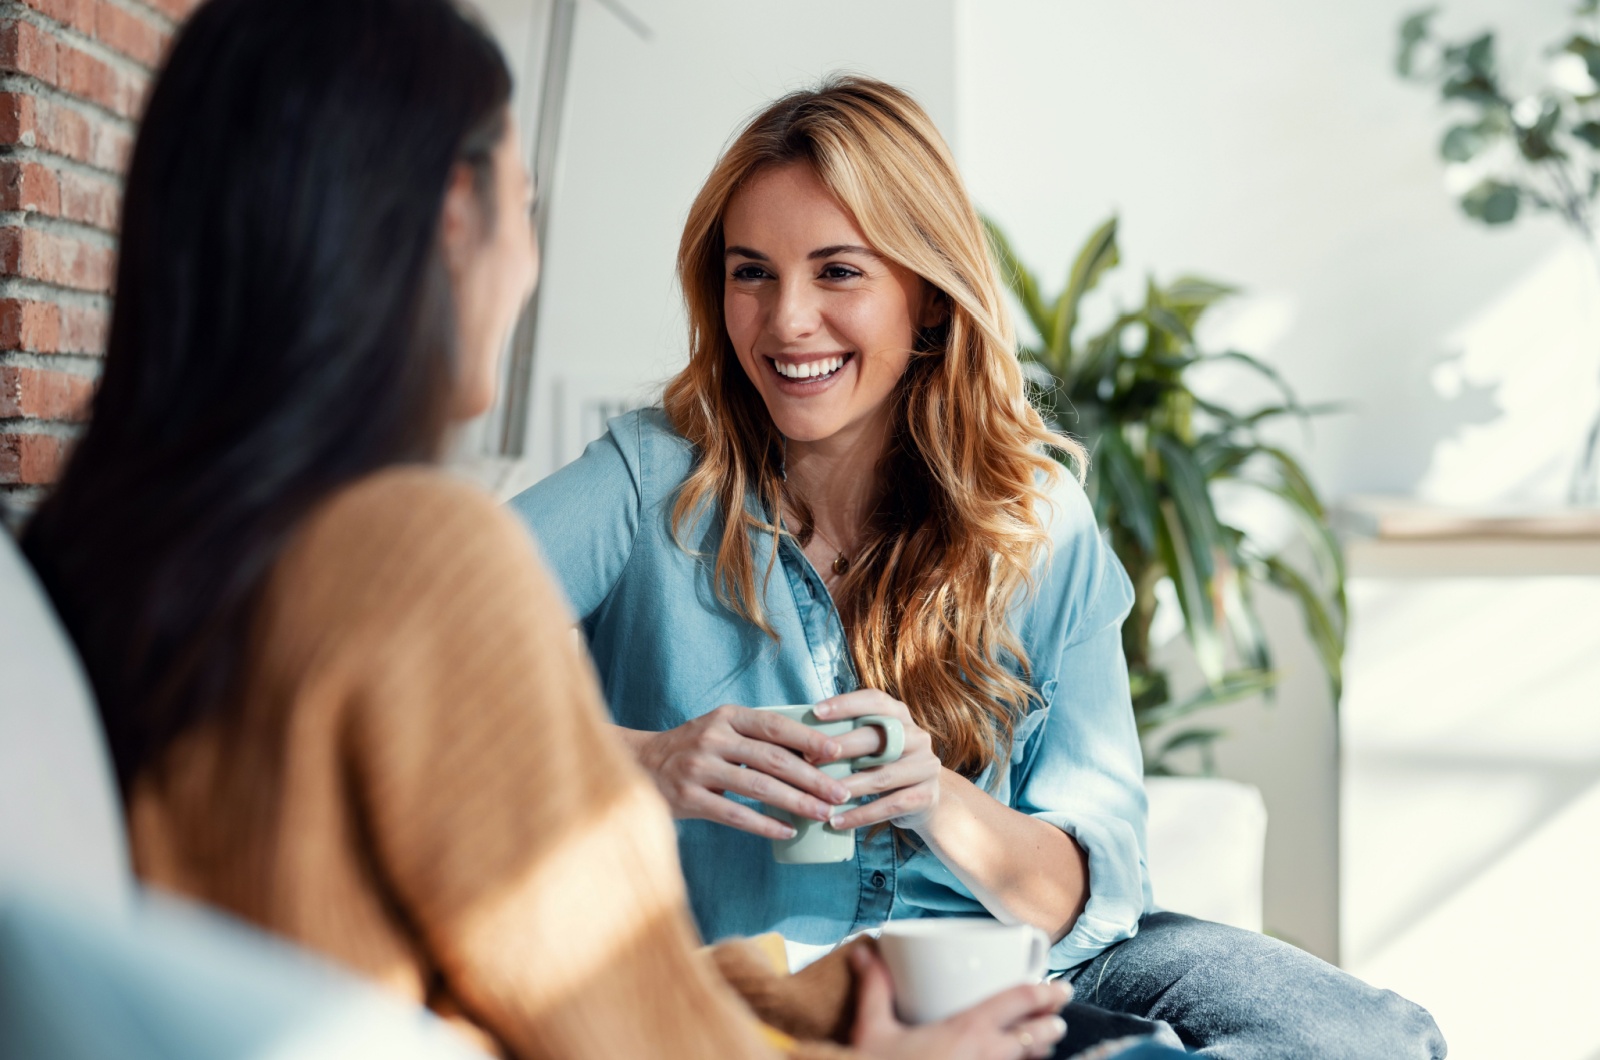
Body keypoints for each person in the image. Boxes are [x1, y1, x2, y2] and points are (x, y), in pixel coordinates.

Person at [20, 4, 1079, 1058]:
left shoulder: (112, 560)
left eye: (836, 269)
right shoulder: (419, 554)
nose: (785, 315)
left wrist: (797, 994)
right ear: (453, 213)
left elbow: (486, 963)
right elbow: (621, 1024)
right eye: (527, 202)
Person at [509, 76, 1447, 1059]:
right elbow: (408, 653)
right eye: (752, 273)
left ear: (923, 293)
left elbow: (1084, 893)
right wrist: (643, 758)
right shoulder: (653, 475)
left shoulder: (1035, 520)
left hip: (1014, 964)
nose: (785, 320)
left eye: (837, 271)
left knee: (1369, 1037)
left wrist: (932, 798)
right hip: (759, 982)